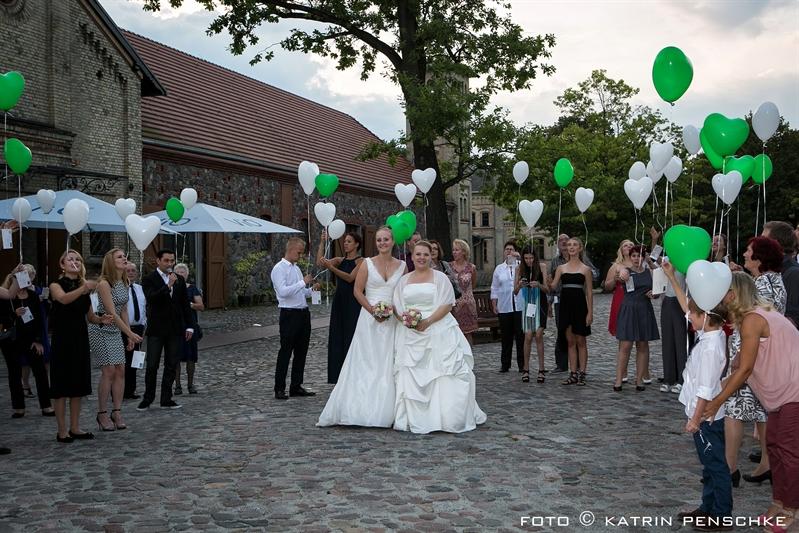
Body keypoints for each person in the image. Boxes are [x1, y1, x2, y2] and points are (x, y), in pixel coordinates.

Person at [703, 272, 799, 531]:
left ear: (732, 295)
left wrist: (717, 401)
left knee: (787, 453)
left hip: (793, 393)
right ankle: (780, 503)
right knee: (776, 449)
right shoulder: (753, 317)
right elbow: (744, 364)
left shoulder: (753, 320)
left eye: (721, 292)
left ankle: (791, 510)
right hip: (782, 396)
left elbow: (744, 370)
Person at [663, 261, 733, 530]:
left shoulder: (710, 348)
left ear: (705, 315)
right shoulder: (709, 334)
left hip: (705, 417)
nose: (688, 317)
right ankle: (707, 507)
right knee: (708, 464)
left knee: (715, 465)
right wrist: (671, 277)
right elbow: (686, 306)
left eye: (693, 314)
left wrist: (695, 418)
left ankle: (721, 513)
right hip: (704, 415)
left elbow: (705, 386)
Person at [392, 240, 486, 434]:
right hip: (411, 332)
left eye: (425, 254)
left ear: (431, 256)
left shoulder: (440, 278)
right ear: (412, 256)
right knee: (411, 371)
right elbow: (397, 305)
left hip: (437, 327)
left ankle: (446, 417)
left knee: (443, 372)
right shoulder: (404, 280)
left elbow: (446, 304)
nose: (421, 257)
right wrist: (407, 321)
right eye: (418, 254)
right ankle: (416, 416)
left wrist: (428, 322)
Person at [317, 227, 405, 427]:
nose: (382, 243)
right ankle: (358, 407)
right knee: (365, 360)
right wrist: (373, 310)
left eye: (386, 239)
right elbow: (357, 291)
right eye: (379, 240)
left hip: (391, 320)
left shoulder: (402, 267)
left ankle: (387, 408)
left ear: (393, 242)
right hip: (368, 318)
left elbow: (401, 294)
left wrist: (397, 313)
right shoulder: (366, 263)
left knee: (387, 362)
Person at [724, 237, 785, 487]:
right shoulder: (773, 279)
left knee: (733, 408)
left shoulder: (762, 283)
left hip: (752, 352)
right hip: (766, 353)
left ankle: (729, 469)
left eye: (749, 251)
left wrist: (742, 354)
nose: (745, 254)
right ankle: (767, 464)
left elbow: (763, 317)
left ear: (759, 258)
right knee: (763, 411)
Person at [49, 249, 108, 443]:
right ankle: (62, 430)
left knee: (77, 385)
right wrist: (83, 289)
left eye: (77, 259)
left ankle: (75, 427)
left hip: (80, 339)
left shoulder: (84, 286)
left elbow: (89, 316)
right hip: (62, 339)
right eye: (70, 259)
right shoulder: (56, 285)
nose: (74, 261)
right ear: (62, 265)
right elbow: (64, 300)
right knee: (61, 386)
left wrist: (101, 320)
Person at [89, 249, 143, 431]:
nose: (124, 258)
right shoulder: (104, 284)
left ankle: (117, 411)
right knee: (109, 370)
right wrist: (128, 333)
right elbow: (112, 312)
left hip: (117, 328)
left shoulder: (124, 282)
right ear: (110, 261)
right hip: (101, 328)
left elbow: (124, 310)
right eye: (120, 257)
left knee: (121, 369)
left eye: (124, 256)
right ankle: (102, 413)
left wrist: (129, 334)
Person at [138, 249, 193, 411]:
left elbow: (184, 304)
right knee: (152, 365)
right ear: (158, 261)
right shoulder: (149, 279)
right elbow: (151, 298)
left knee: (171, 364)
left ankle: (166, 398)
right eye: (166, 261)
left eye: (172, 261)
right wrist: (167, 286)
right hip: (156, 329)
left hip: (175, 328)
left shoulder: (180, 280)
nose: (170, 264)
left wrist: (189, 325)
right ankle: (148, 398)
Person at [270, 237, 319, 400]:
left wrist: (311, 289)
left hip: (303, 313)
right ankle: (279, 388)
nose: (300, 255)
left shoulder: (296, 269)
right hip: (289, 313)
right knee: (285, 351)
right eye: (299, 252)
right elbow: (283, 292)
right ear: (290, 250)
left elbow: (301, 291)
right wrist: (302, 283)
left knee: (301, 351)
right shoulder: (279, 269)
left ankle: (296, 386)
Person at [2, 265, 53, 417]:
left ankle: (46, 405)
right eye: (20, 278)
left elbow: (39, 319)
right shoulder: (6, 298)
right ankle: (19, 407)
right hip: (11, 341)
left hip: (30, 340)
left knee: (40, 371)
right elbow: (2, 319)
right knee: (14, 373)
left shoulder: (32, 296)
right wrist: (13, 315)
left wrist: (38, 340)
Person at [317, 230, 363, 384]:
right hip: (340, 301)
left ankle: (354, 373)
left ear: (356, 244)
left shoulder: (361, 261)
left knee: (351, 335)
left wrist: (332, 268)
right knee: (338, 335)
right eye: (345, 241)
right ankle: (338, 375)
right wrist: (323, 242)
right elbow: (320, 262)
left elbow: (350, 278)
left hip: (353, 302)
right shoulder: (339, 259)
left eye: (349, 241)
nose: (346, 243)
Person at [612, 245, 659, 392]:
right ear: (630, 257)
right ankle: (618, 380)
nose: (636, 259)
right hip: (629, 308)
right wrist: (619, 276)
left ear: (643, 257)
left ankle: (639, 380)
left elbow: (657, 291)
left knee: (643, 346)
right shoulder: (626, 270)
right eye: (634, 256)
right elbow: (616, 279)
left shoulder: (649, 272)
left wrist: (654, 294)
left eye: (639, 256)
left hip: (644, 309)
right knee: (625, 346)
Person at [549, 237, 593, 386]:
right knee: (570, 341)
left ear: (580, 248)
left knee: (581, 340)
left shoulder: (586, 269)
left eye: (575, 245)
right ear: (566, 248)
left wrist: (590, 312)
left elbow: (589, 293)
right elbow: (553, 287)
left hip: (580, 306)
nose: (571, 247)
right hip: (565, 305)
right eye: (569, 245)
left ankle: (582, 373)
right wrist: (547, 279)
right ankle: (572, 373)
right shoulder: (561, 268)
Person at [514, 246, 549, 384]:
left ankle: (541, 369)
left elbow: (547, 289)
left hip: (540, 304)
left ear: (535, 257)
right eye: (526, 258)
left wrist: (539, 285)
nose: (529, 261)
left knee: (539, 335)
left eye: (531, 258)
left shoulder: (542, 267)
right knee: (528, 336)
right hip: (527, 304)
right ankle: (526, 369)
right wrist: (520, 285)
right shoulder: (519, 269)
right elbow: (515, 291)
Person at [491, 241, 524, 373]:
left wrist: (520, 258)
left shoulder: (521, 266)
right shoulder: (499, 268)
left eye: (511, 249)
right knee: (506, 336)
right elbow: (494, 287)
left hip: (519, 305)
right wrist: (494, 303)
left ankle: (522, 364)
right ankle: (505, 364)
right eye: (507, 249)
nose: (509, 252)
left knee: (520, 336)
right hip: (504, 306)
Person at [174, 263, 204, 395]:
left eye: (183, 272)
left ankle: (190, 385)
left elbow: (201, 306)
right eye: (178, 272)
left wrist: (190, 304)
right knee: (175, 357)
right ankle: (177, 386)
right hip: (175, 327)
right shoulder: (171, 288)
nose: (181, 274)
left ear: (186, 275)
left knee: (191, 356)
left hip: (190, 325)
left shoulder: (192, 289)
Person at [762, 220, 799, 327]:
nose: (758, 243)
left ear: (776, 243)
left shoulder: (794, 274)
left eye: (763, 239)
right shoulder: (771, 270)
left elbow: (793, 317)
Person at [123, 262, 146, 399]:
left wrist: (144, 325)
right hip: (125, 327)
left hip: (139, 328)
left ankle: (131, 390)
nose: (131, 273)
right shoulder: (120, 289)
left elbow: (144, 309)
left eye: (133, 270)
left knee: (135, 361)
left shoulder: (140, 289)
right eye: (128, 270)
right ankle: (120, 391)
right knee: (124, 361)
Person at [449, 239, 478, 345]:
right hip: (454, 305)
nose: (454, 252)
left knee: (468, 333)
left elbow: (473, 284)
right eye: (453, 250)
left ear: (464, 252)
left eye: (457, 250)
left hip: (468, 305)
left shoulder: (471, 267)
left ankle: (469, 356)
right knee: (455, 332)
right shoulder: (449, 267)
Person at [548, 234, 570, 372]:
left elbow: (594, 273)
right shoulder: (555, 262)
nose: (563, 242)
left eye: (565, 240)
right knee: (561, 331)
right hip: (559, 300)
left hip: (575, 298)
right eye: (560, 240)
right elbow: (550, 284)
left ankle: (577, 363)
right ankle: (561, 364)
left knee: (575, 331)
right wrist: (549, 302)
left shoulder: (578, 259)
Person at [605, 239, 633, 338]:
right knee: (623, 334)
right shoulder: (616, 266)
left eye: (631, 245)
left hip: (637, 300)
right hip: (621, 299)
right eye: (625, 245)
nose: (629, 246)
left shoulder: (639, 264)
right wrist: (614, 279)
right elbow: (607, 286)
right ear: (620, 250)